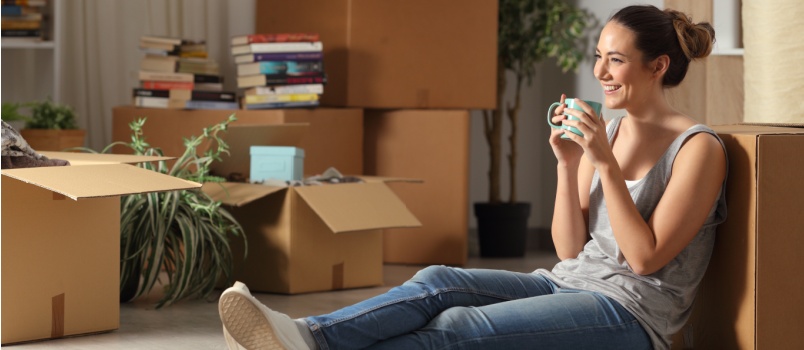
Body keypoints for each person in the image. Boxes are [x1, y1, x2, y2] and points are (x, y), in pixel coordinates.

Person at [217, 5, 727, 350]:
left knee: (456, 329)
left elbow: (643, 258)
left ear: (658, 65)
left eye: (616, 60)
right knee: (439, 281)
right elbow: (570, 252)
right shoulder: (610, 134)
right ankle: (309, 337)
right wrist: (568, 163)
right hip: (568, 284)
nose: (600, 72)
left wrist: (604, 166)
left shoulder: (698, 149)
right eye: (598, 56)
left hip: (632, 316)